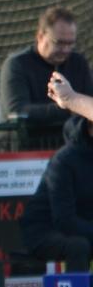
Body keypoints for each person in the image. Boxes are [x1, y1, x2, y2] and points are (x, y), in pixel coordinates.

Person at [0, 6, 93, 150]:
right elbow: (18, 111)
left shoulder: (78, 63)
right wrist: (71, 106)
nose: (66, 49)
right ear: (40, 36)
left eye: (70, 43)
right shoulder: (17, 65)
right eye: (59, 43)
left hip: (70, 148)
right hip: (21, 153)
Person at [20, 114, 93, 269]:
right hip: (43, 230)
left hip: (81, 227)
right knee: (79, 246)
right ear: (90, 127)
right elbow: (64, 220)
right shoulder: (64, 160)